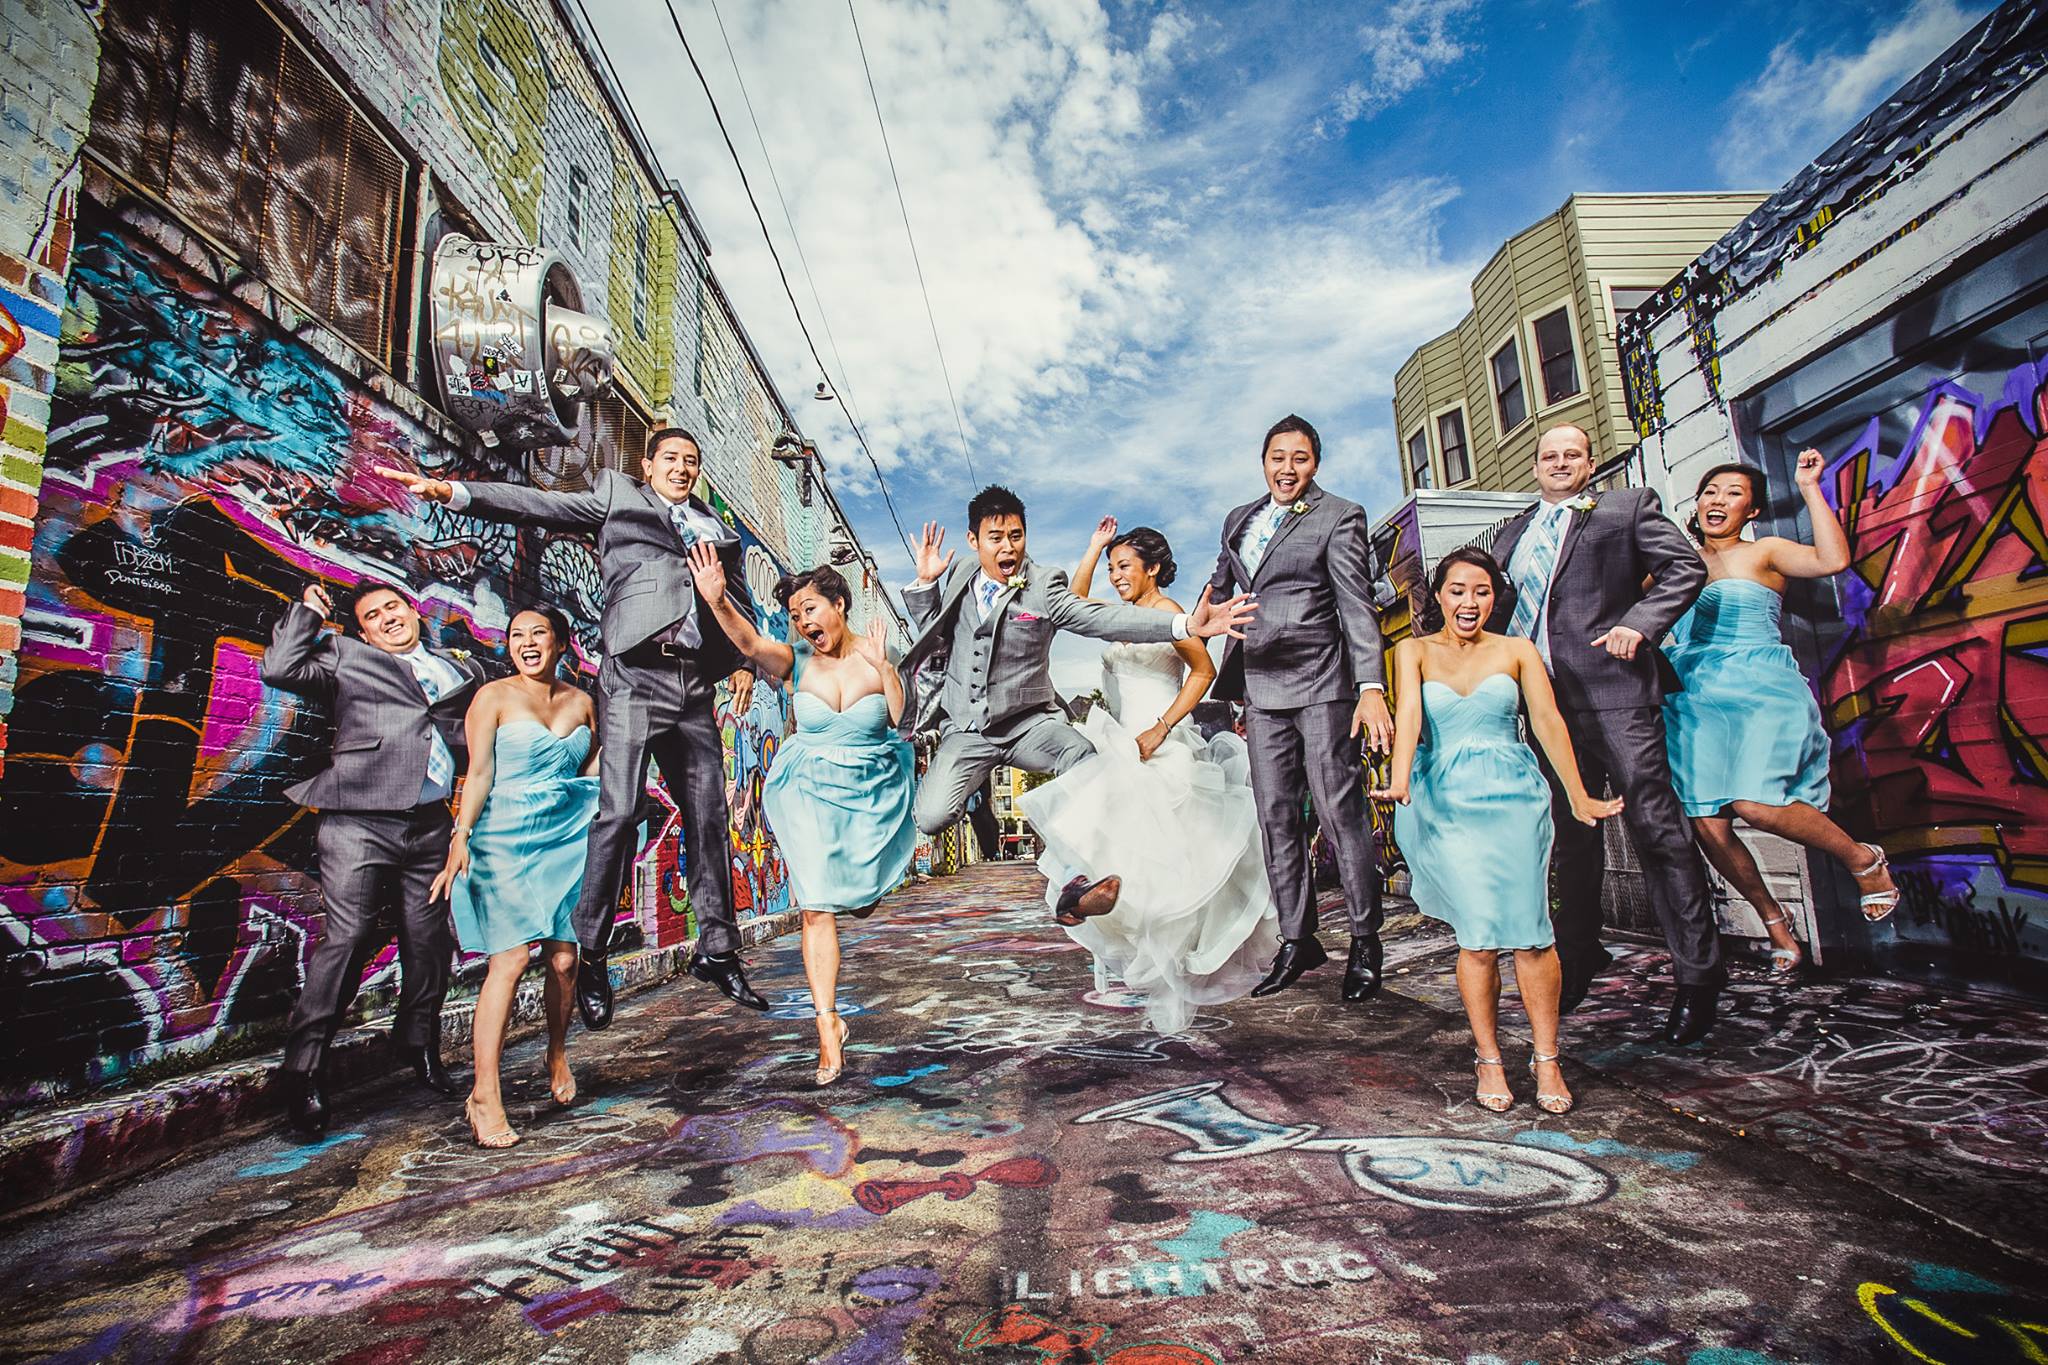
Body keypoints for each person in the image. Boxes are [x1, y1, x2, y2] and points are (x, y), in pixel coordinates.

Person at [376, 430, 767, 1028]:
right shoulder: (618, 500)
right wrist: (454, 492)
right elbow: (537, 504)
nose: (683, 469)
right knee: (617, 812)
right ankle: (592, 952)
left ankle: (718, 949)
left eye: (692, 461)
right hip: (635, 675)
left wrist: (741, 661)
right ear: (648, 464)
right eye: (672, 459)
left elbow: (735, 600)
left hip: (693, 685)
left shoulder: (715, 530)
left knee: (710, 814)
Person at [899, 485, 1255, 925]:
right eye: (996, 537)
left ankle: (1074, 882)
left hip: (1031, 723)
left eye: (1016, 535)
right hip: (968, 729)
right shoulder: (958, 575)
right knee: (932, 816)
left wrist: (1182, 624)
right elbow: (935, 636)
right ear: (974, 541)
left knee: (1083, 755)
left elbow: (1100, 617)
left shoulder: (1043, 585)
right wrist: (926, 584)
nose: (1008, 547)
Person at [1488, 423, 1719, 1045]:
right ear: (1534, 467)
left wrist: (1640, 624)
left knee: (1656, 829)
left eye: (1572, 453)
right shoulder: (1513, 534)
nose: (1560, 462)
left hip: (1614, 691)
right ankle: (1582, 954)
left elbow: (1683, 568)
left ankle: (1698, 977)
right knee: (1568, 838)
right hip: (1544, 707)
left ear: (1590, 462)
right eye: (1548, 455)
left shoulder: (1625, 506)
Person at [1373, 549, 1623, 1113]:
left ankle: (1546, 1058)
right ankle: (1488, 1056)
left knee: (1533, 933)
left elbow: (1547, 721)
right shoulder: (1411, 650)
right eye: (1458, 590)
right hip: (1445, 800)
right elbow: (1409, 713)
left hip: (1513, 798)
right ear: (1438, 595)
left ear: (1493, 598)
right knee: (1480, 936)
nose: (1469, 602)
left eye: (1481, 592)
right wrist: (1399, 778)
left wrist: (1578, 793)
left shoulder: (1518, 650)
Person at [1017, 520, 1280, 1034]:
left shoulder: (1171, 615)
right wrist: (1093, 548)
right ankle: (1096, 910)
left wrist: (1162, 729)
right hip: (1120, 740)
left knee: (1168, 857)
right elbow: (1073, 606)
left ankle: (1165, 948)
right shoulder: (1123, 616)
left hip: (1159, 741)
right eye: (1112, 569)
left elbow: (1203, 673)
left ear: (1152, 568)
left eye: (1124, 566)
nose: (1116, 577)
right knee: (1110, 840)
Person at [261, 580, 484, 1136]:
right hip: (358, 818)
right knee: (350, 934)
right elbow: (281, 668)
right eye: (373, 616)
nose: (387, 619)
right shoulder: (344, 656)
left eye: (393, 608)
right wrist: (308, 613)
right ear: (362, 631)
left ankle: (418, 1044)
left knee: (428, 940)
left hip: (431, 826)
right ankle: (303, 1070)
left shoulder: (460, 670)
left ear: (414, 611)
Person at [1666, 450, 1900, 973]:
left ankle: (1862, 860)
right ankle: (1776, 923)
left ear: (1751, 511)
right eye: (1710, 491)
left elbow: (1831, 561)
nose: (1717, 500)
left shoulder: (1764, 550)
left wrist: (1810, 487)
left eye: (1733, 493)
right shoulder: (1677, 563)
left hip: (1757, 689)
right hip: (1695, 698)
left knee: (1755, 803)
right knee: (1707, 821)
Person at [691, 546, 915, 1087]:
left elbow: (897, 716)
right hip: (810, 791)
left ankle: (859, 896)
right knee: (816, 907)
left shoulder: (875, 655)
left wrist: (886, 667)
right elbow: (747, 642)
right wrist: (718, 601)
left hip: (869, 791)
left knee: (858, 903)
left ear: (840, 604)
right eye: (795, 614)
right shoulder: (796, 662)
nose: (802, 621)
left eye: (810, 608)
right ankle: (826, 1026)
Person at [1206, 415, 1392, 1002]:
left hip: (1321, 681)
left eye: (1301, 458)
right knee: (1275, 815)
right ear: (1263, 461)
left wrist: (1370, 686)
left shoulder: (1340, 515)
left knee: (1340, 814)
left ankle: (1365, 938)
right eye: (1278, 457)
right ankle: (1298, 938)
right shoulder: (1239, 519)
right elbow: (1217, 591)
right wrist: (1191, 626)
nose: (1288, 469)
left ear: (1316, 464)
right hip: (1259, 685)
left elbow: (1356, 606)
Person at [430, 606, 598, 1148]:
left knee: (565, 960)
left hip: (566, 839)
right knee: (511, 957)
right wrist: (461, 836)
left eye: (539, 633)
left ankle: (555, 1051)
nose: (527, 643)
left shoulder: (582, 702)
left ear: (560, 642)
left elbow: (594, 766)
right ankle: (485, 1093)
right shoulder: (494, 697)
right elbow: (477, 772)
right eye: (516, 635)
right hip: (504, 836)